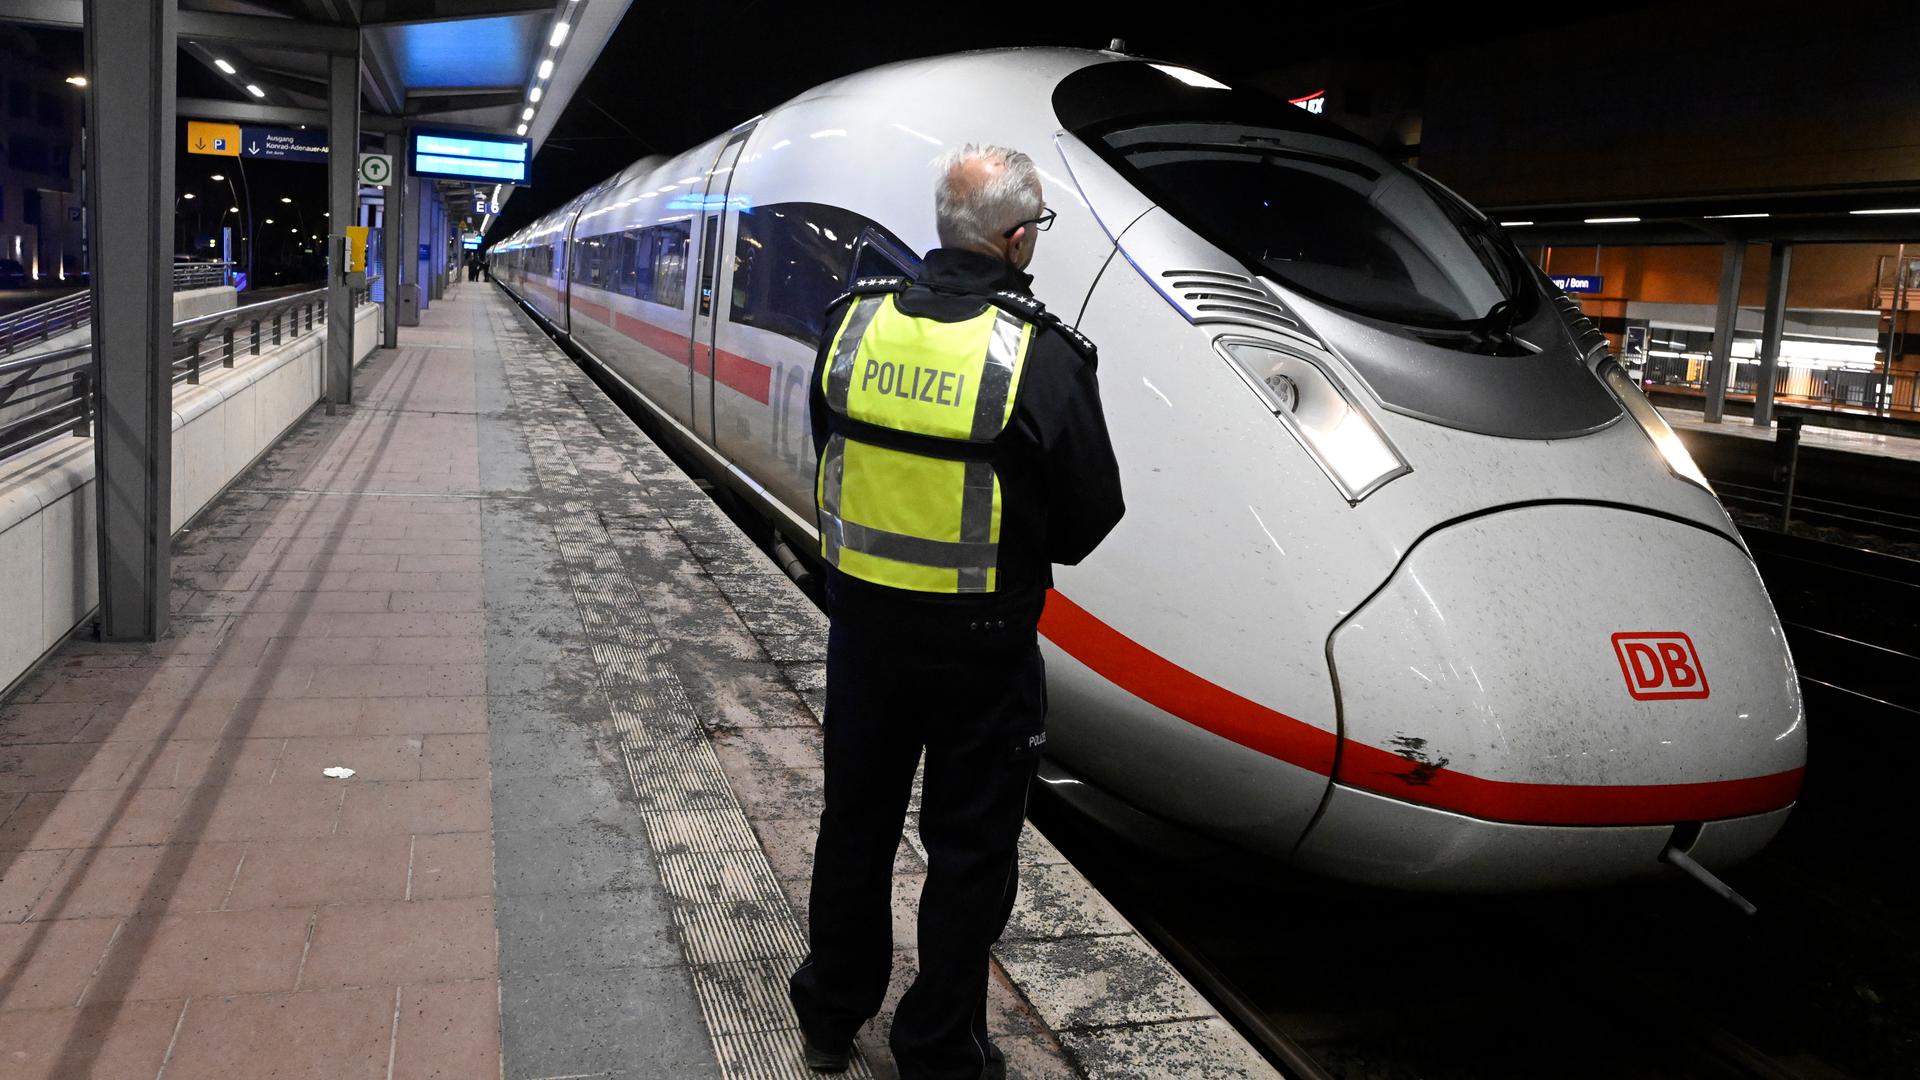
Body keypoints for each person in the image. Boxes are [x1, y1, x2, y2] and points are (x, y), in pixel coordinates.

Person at [790, 144, 1125, 1079]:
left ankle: (828, 1017)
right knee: (970, 853)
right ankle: (938, 1048)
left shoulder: (853, 327)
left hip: (863, 637)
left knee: (853, 825)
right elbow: (1088, 519)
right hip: (981, 653)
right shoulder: (1038, 353)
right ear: (1016, 239)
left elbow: (831, 450)